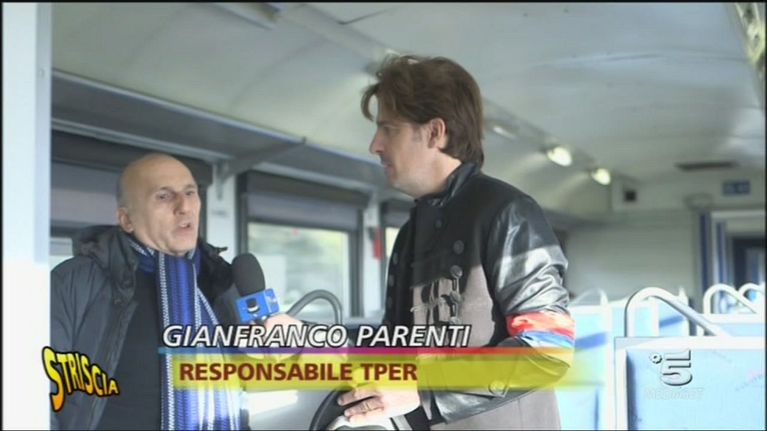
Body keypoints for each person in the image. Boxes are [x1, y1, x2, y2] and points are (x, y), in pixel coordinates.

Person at [336, 55, 575, 430]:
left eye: (388, 129)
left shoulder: (508, 213)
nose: (375, 145)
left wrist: (425, 389)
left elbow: (548, 349)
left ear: (435, 132)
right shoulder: (411, 230)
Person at [49, 153, 294, 430]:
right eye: (164, 196)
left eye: (190, 192)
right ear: (127, 219)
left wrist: (293, 348)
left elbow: (256, 378)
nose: (184, 206)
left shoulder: (224, 281)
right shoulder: (74, 282)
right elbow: (35, 389)